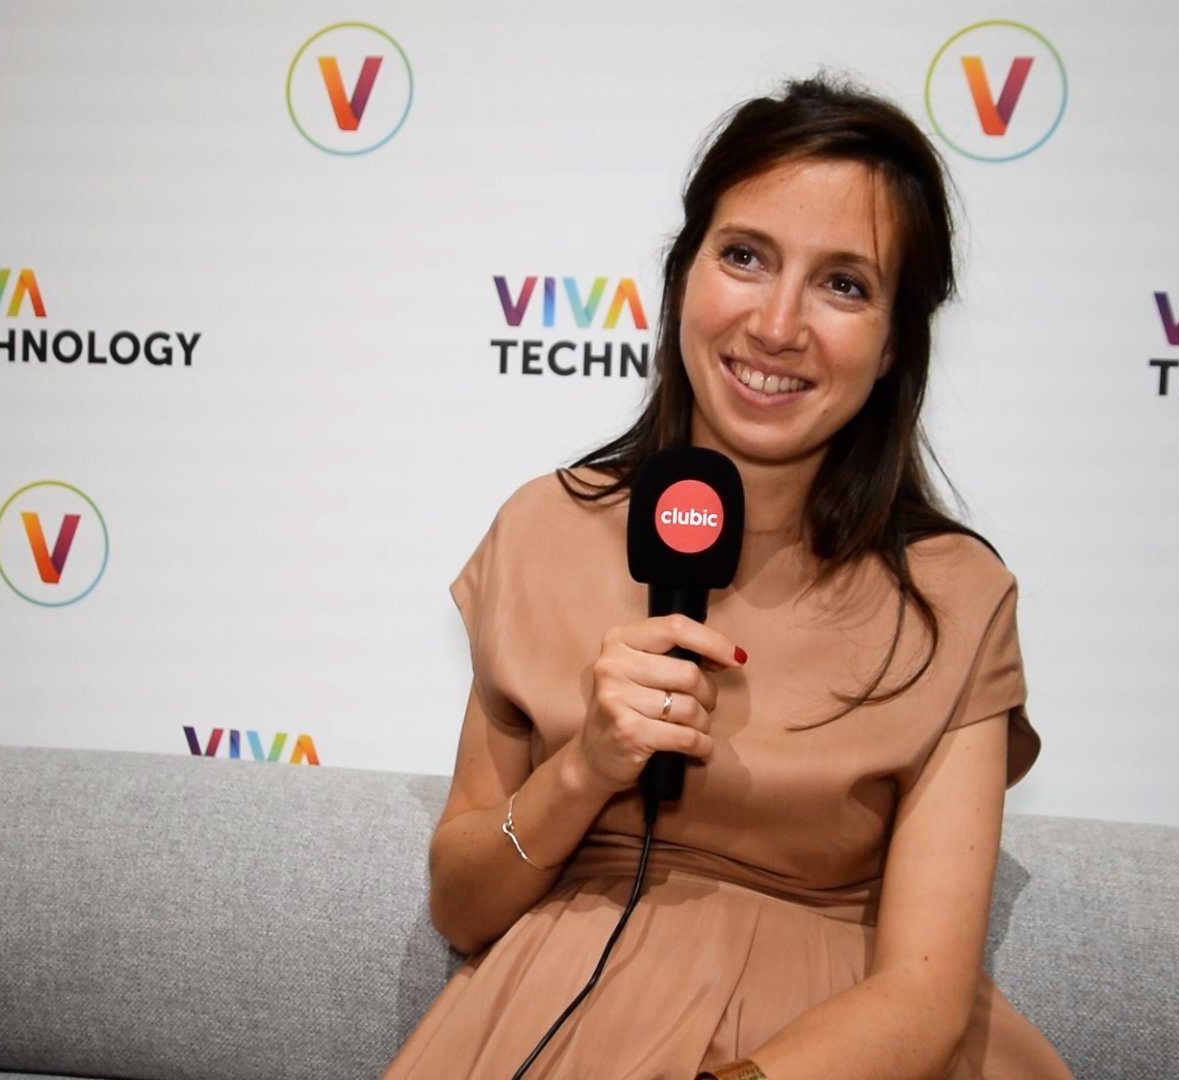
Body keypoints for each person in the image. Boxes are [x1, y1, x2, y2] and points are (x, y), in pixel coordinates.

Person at [381, 76, 1074, 1080]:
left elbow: (924, 999)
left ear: (891, 348)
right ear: (683, 277)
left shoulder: (955, 596)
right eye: (745, 257)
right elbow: (462, 905)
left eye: (845, 284)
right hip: (547, 1025)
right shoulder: (544, 527)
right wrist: (584, 769)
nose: (778, 324)